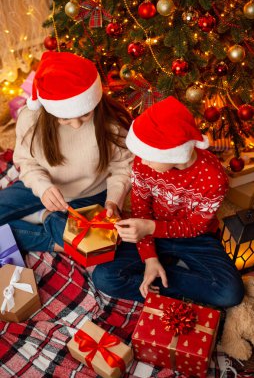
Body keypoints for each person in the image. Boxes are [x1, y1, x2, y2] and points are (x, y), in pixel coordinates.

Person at [92, 96, 244, 308]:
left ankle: (164, 276)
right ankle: (162, 272)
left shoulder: (213, 177)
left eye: (149, 156)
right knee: (103, 277)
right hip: (150, 232)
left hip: (195, 237)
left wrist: (149, 229)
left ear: (175, 154)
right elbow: (140, 208)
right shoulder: (145, 162)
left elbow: (196, 226)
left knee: (230, 293)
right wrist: (149, 257)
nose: (142, 162)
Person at [0, 51, 133, 253]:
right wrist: (42, 187)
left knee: (102, 245)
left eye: (85, 114)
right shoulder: (30, 119)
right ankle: (56, 236)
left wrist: (113, 200)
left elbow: (123, 167)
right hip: (41, 187)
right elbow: (26, 162)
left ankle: (46, 220)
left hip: (92, 193)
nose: (77, 125)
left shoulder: (111, 122)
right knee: (84, 241)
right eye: (65, 119)